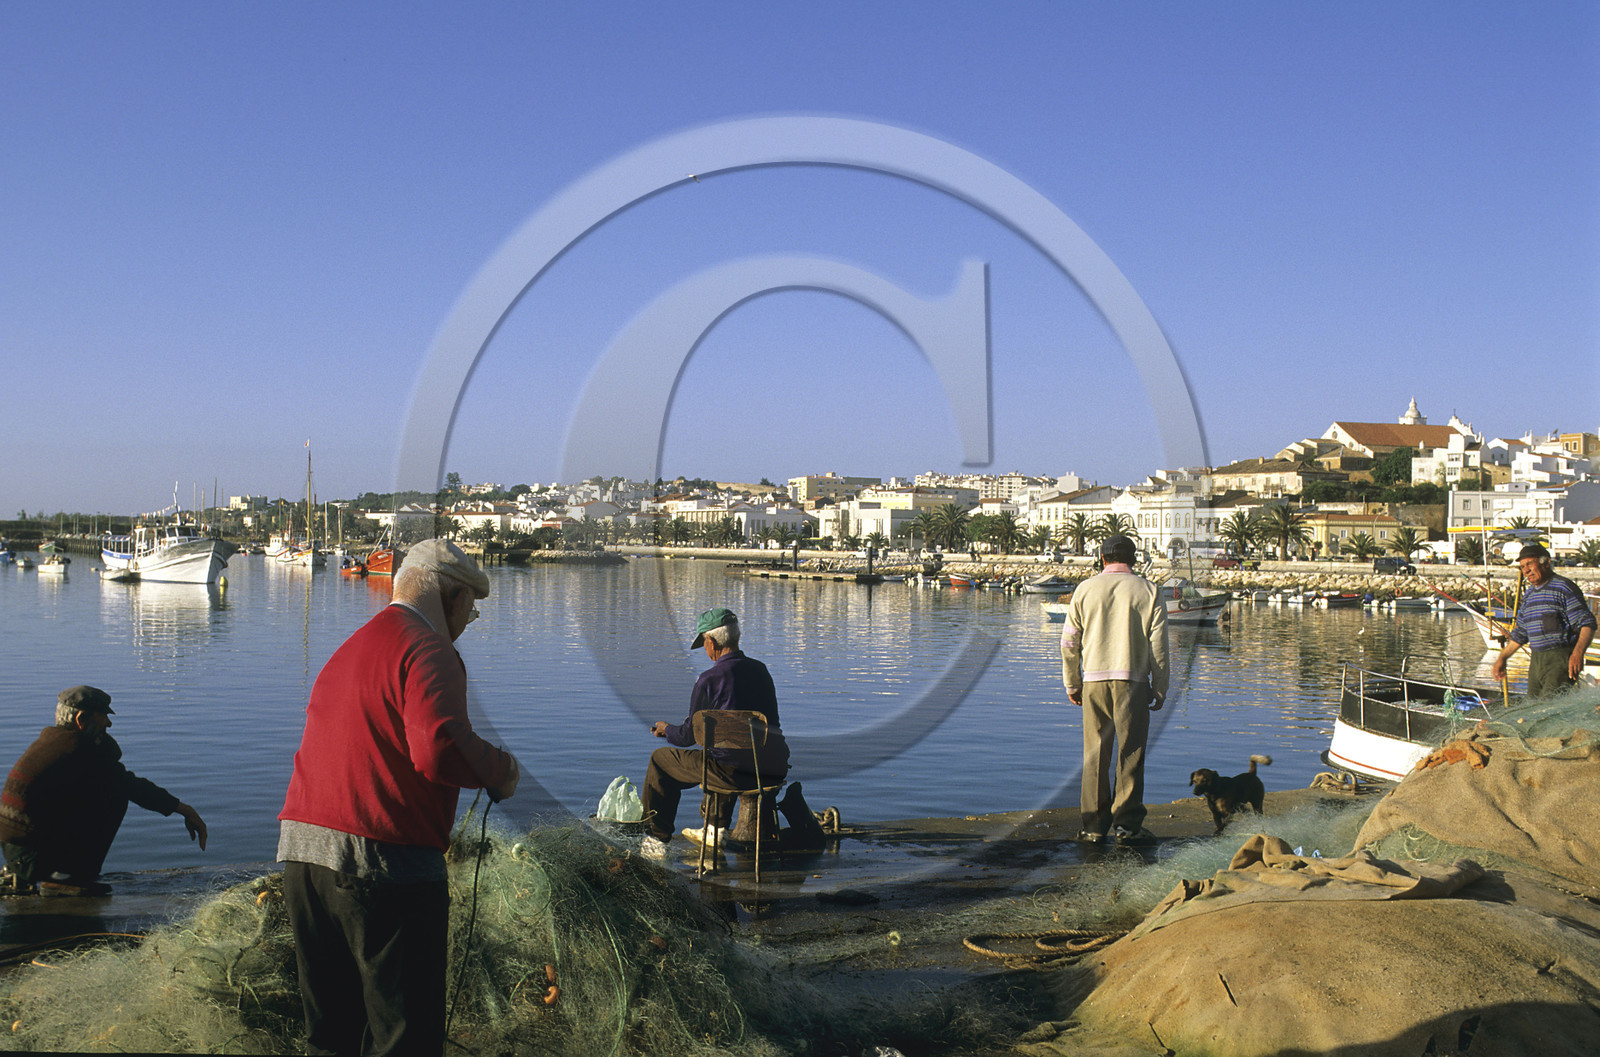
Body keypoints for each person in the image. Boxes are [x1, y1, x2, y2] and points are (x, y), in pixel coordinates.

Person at [278, 538, 521, 1057]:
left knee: (332, 1035)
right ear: (452, 597)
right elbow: (438, 747)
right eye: (469, 611)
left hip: (302, 856)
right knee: (403, 1037)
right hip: (380, 862)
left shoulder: (353, 645)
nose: (465, 624)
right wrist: (501, 771)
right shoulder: (428, 648)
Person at [0, 685, 207, 897]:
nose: (109, 723)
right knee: (113, 795)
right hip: (30, 858)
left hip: (17, 853)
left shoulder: (54, 743)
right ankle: (63, 878)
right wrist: (185, 810)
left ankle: (48, 872)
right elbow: (132, 786)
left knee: (100, 790)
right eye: (104, 716)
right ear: (81, 720)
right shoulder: (80, 751)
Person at [641, 607, 788, 857]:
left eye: (705, 644)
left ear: (711, 642)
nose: (706, 651)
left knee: (662, 761)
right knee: (726, 751)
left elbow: (688, 737)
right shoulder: (762, 671)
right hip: (769, 768)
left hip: (731, 773)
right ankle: (715, 829)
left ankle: (656, 841)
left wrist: (667, 730)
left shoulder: (709, 680)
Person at [1060, 535, 1168, 846]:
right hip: (1133, 681)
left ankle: (1093, 826)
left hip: (1093, 680)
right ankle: (1127, 825)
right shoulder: (1148, 591)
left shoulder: (1085, 589)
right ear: (1133, 560)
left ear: (1102, 558)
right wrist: (1160, 687)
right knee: (1131, 752)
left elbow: (1069, 643)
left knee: (1095, 753)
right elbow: (1158, 647)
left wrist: (1073, 682)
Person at [1489, 543, 1596, 698]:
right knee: (1532, 709)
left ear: (1545, 562)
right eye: (1522, 567)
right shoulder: (1529, 595)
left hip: (1559, 660)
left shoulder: (1564, 588)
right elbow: (1521, 633)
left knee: (1548, 710)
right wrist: (1502, 658)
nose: (1526, 570)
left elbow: (1587, 623)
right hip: (1536, 660)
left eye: (1530, 564)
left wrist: (1578, 653)